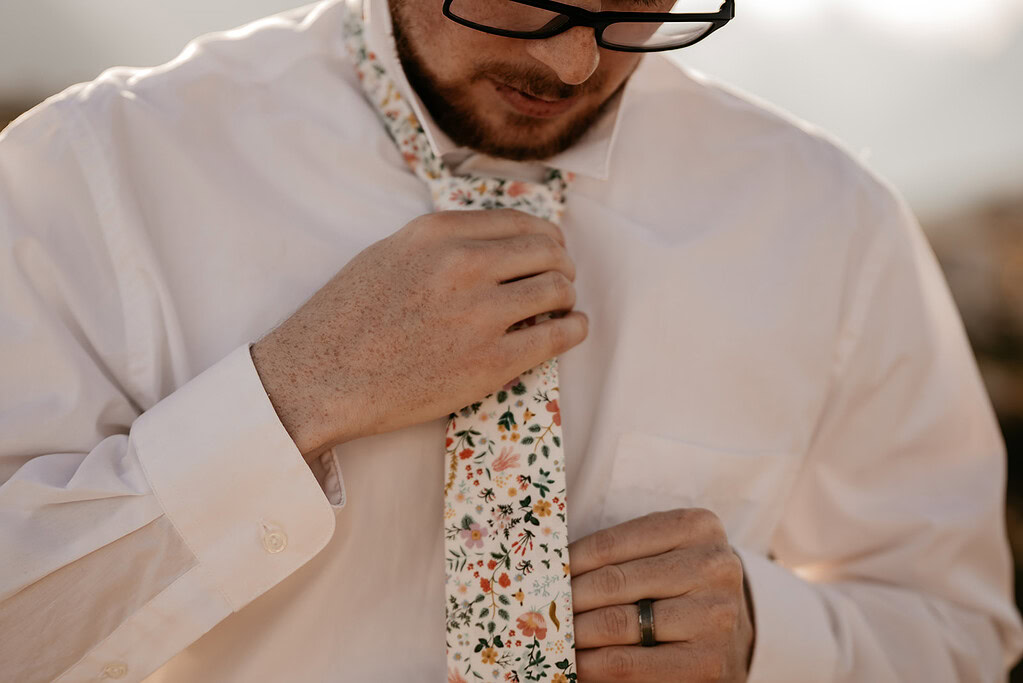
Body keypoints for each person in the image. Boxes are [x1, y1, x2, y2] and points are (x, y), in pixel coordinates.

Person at [0, 0, 1020, 679]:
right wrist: (295, 393)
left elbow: (961, 632)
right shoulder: (91, 176)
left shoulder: (828, 221)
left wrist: (771, 635)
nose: (571, 58)